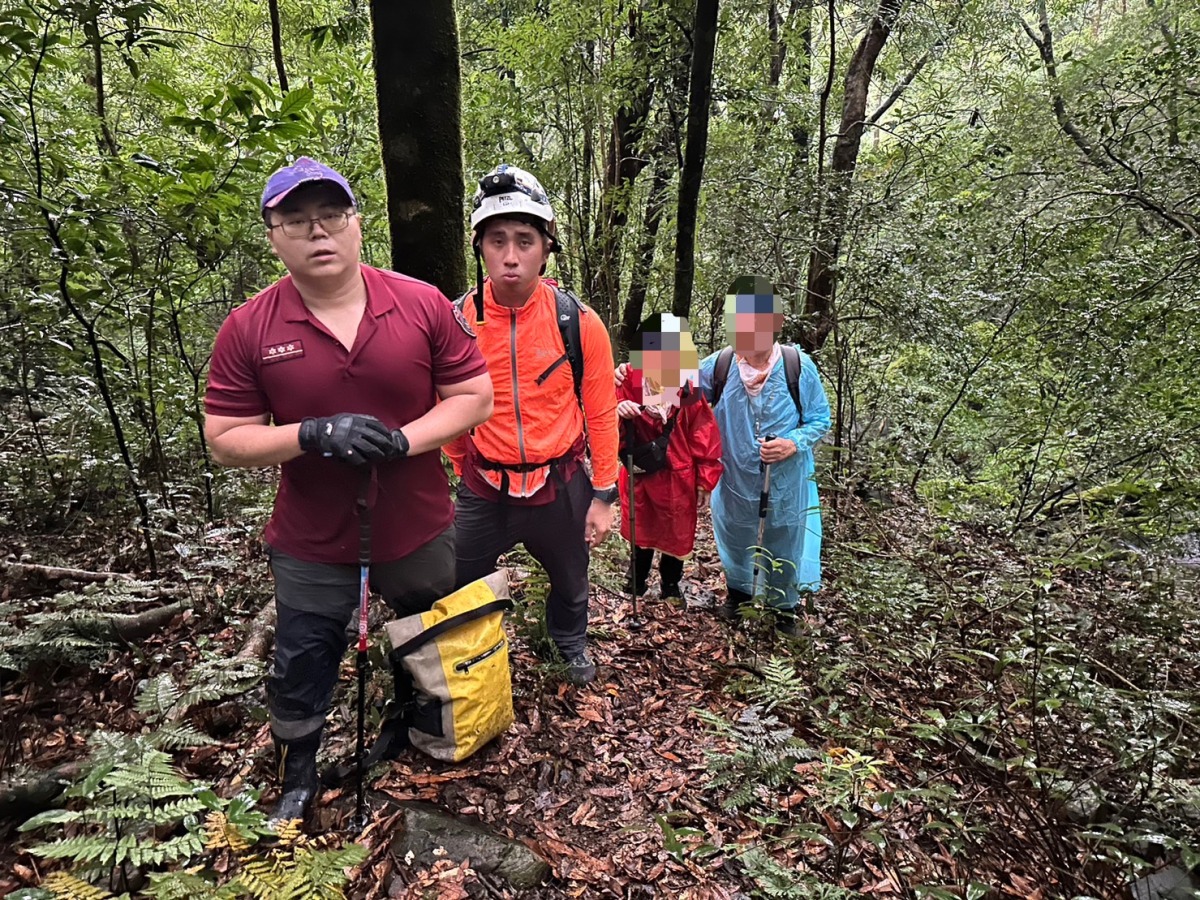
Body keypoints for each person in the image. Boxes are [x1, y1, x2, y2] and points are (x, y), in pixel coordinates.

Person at [203, 157, 493, 823]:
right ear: (273, 235)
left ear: (357, 224)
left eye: (331, 216)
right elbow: (224, 437)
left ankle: (415, 723)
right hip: (311, 536)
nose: (318, 232)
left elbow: (474, 396)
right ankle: (296, 771)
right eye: (296, 221)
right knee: (302, 657)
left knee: (433, 634)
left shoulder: (420, 304)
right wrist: (309, 435)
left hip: (416, 522)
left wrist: (403, 439)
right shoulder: (249, 328)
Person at [445, 163, 619, 686]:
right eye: (497, 240)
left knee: (570, 578)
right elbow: (449, 404)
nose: (512, 255)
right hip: (484, 484)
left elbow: (602, 411)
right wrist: (462, 464)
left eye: (525, 239)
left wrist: (604, 495)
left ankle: (567, 644)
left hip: (561, 479)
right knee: (463, 581)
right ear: (480, 248)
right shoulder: (456, 324)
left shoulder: (578, 322)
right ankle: (476, 660)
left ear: (547, 247)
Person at [702, 276, 831, 631]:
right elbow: (671, 387)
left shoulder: (797, 367)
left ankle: (784, 608)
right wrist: (630, 374)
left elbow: (820, 418)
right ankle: (739, 594)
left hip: (786, 481)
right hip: (733, 478)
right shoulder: (720, 364)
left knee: (784, 534)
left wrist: (793, 442)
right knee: (734, 531)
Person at [616, 313, 723, 599]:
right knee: (641, 530)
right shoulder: (628, 380)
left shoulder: (687, 388)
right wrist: (621, 409)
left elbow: (703, 434)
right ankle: (635, 583)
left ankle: (671, 586)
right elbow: (605, 425)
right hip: (640, 472)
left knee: (677, 533)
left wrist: (705, 479)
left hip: (679, 475)